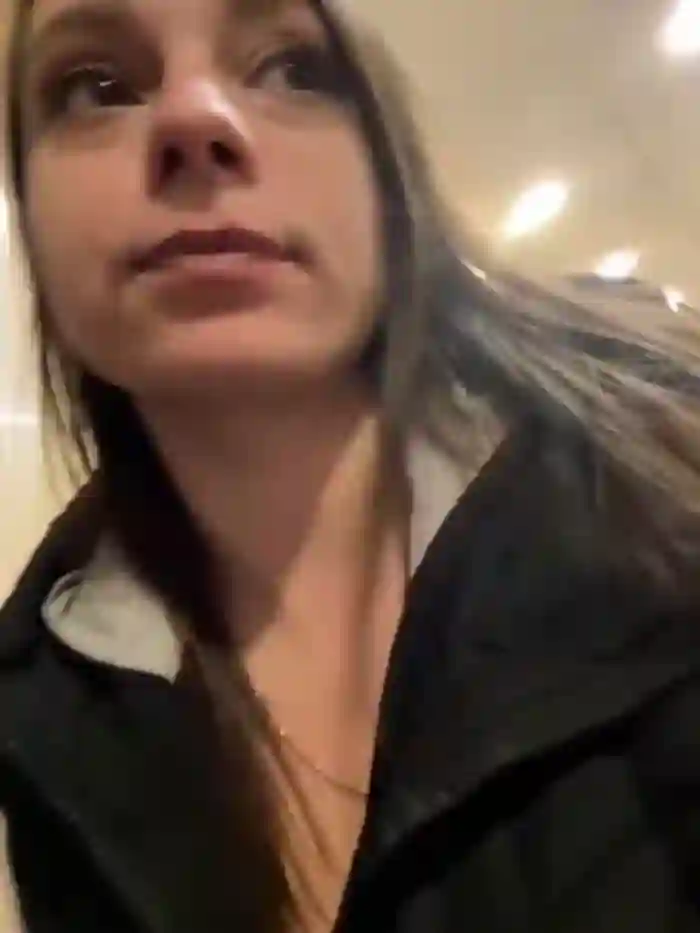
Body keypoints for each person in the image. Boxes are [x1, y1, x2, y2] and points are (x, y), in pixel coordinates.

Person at [2, 0, 700, 930]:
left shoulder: (673, 485)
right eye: (96, 88)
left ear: (387, 169)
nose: (195, 119)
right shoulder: (41, 712)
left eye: (293, 67)